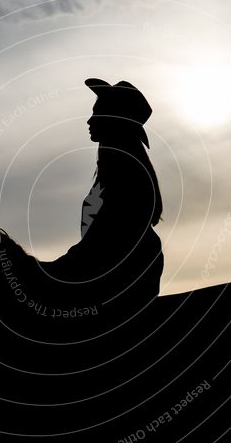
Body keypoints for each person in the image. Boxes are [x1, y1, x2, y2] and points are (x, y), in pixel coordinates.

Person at [42, 78, 164, 314]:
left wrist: (65, 265)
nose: (89, 120)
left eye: (97, 113)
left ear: (113, 120)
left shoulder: (126, 170)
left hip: (124, 271)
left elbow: (108, 234)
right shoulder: (118, 169)